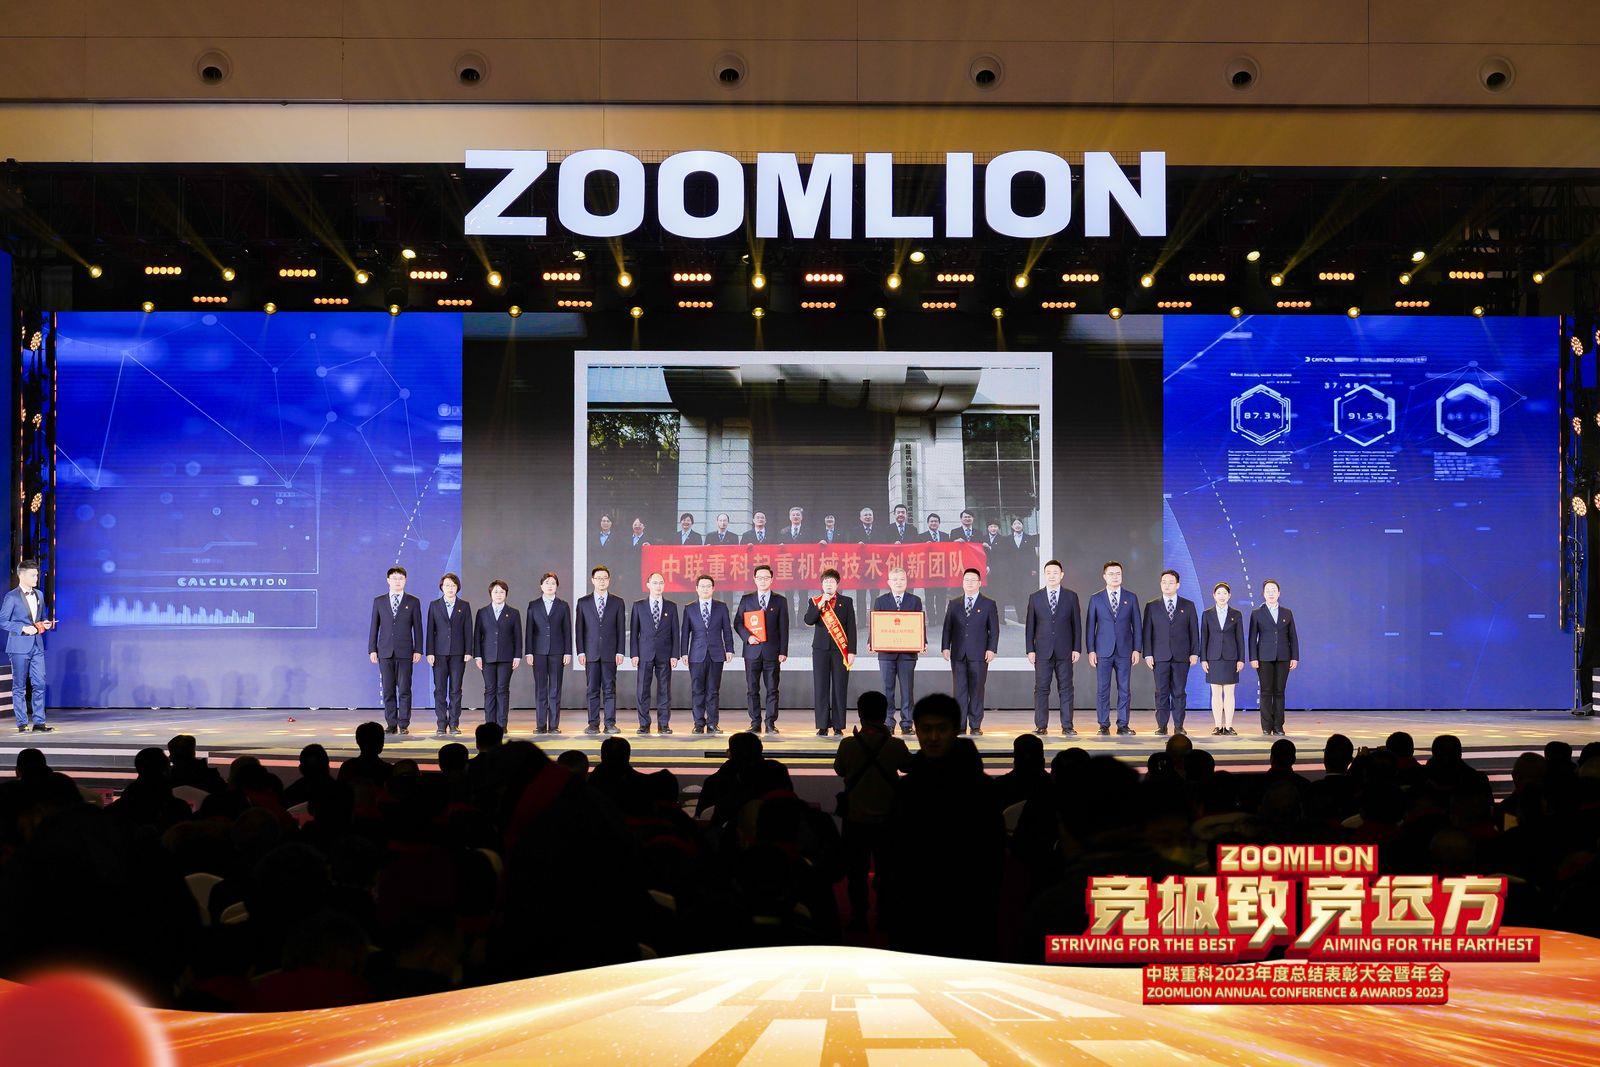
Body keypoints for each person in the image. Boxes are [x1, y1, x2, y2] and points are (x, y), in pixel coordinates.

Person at [832, 690, 911, 932]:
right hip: (888, 819)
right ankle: (885, 916)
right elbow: (908, 766)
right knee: (887, 871)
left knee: (856, 873)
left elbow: (840, 769)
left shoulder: (848, 745)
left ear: (860, 713)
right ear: (885, 713)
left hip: (855, 819)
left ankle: (859, 917)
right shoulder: (895, 745)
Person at [1085, 561, 1142, 736]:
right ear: (1104, 576)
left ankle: (1123, 725)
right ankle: (1103, 725)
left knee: (1124, 689)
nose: (1115, 577)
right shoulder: (1096, 598)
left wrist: (1137, 649)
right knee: (1103, 689)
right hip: (1103, 651)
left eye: (1118, 573)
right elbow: (1090, 626)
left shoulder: (1131, 597)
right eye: (1111, 574)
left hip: (1125, 651)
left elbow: (1137, 625)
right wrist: (1091, 650)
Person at [1025, 559, 1081, 736]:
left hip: (1065, 650)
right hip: (1042, 651)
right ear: (1044, 575)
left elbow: (1076, 625)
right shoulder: (1035, 597)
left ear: (1061, 575)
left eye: (1055, 572)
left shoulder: (1071, 596)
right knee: (1041, 689)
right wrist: (1030, 649)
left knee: (1066, 689)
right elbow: (1030, 626)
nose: (1052, 576)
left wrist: (1077, 648)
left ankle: (1067, 726)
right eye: (1048, 572)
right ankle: (1041, 726)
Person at [1142, 569, 1200, 737]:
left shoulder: (1188, 605)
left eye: (1171, 582)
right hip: (1159, 656)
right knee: (1161, 692)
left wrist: (1194, 652)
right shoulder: (1152, 606)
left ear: (1178, 585)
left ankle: (1179, 726)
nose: (1167, 585)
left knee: (1179, 692)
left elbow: (1194, 631)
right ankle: (1162, 726)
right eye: (1164, 582)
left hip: (1182, 656)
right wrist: (1148, 654)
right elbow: (1147, 632)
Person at [941, 567, 999, 735]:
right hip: (958, 653)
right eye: (966, 580)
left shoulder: (988, 604)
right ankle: (959, 725)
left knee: (977, 690)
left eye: (973, 580)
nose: (969, 583)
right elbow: (947, 628)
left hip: (979, 654)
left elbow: (994, 630)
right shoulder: (954, 603)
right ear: (962, 583)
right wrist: (945, 647)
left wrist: (991, 649)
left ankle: (975, 725)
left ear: (979, 583)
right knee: (959, 691)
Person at [369, 565, 424, 736]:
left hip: (405, 652)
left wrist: (418, 649)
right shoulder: (379, 601)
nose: (397, 581)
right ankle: (391, 724)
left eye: (400, 578)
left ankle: (404, 724)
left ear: (405, 580)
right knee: (388, 690)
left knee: (405, 690)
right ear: (388, 580)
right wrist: (372, 649)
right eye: (394, 578)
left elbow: (418, 627)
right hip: (385, 652)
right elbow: (374, 627)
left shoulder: (413, 601)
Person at [2, 559, 55, 733]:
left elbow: (41, 617)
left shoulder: (39, 595)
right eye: (33, 575)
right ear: (22, 576)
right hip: (18, 646)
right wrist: (22, 628)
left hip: (36, 645)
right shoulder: (11, 596)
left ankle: (39, 722)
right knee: (19, 686)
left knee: (39, 683)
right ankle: (22, 723)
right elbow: (3, 621)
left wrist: (44, 623)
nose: (36, 578)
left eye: (37, 575)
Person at [735, 564, 789, 734]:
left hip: (772, 652)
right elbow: (738, 623)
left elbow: (784, 628)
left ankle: (770, 723)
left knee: (772, 689)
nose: (763, 581)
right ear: (754, 579)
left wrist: (783, 651)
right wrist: (748, 637)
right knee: (752, 689)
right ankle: (755, 723)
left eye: (766, 578)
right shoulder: (746, 599)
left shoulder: (780, 601)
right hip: (752, 651)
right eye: (760, 578)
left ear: (772, 579)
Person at [871, 566, 923, 735]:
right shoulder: (881, 601)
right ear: (889, 582)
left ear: (906, 582)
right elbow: (876, 624)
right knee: (888, 689)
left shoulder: (914, 600)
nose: (898, 582)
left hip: (908, 653)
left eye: (902, 579)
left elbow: (919, 624)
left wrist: (923, 642)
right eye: (895, 580)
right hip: (886, 653)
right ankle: (888, 722)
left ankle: (907, 723)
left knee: (907, 689)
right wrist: (872, 641)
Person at [805, 568, 857, 737]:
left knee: (839, 687)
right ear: (822, 584)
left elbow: (851, 627)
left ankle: (838, 725)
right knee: (821, 686)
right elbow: (808, 620)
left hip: (840, 650)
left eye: (832, 581)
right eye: (826, 581)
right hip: (820, 650)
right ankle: (822, 725)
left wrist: (852, 651)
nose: (829, 584)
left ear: (837, 584)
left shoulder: (846, 601)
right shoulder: (815, 601)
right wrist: (820, 605)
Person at [681, 574, 735, 735]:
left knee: (713, 690)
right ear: (697, 589)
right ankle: (698, 724)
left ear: (713, 589)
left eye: (708, 586)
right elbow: (685, 633)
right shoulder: (689, 608)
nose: (705, 589)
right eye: (702, 586)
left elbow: (727, 630)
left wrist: (729, 649)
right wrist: (683, 652)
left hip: (716, 654)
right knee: (697, 690)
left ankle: (712, 724)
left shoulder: (721, 607)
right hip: (696, 655)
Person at [575, 565, 626, 735]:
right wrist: (581, 651)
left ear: (609, 580)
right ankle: (593, 724)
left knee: (610, 689)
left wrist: (620, 651)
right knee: (592, 690)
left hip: (610, 653)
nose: (602, 581)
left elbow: (621, 629)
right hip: (590, 653)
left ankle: (610, 724)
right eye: (598, 578)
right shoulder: (583, 602)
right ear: (592, 580)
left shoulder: (617, 602)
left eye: (605, 578)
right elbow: (579, 629)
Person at [629, 571, 680, 736]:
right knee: (642, 690)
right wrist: (634, 654)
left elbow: (675, 632)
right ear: (648, 585)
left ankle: (663, 724)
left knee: (664, 690)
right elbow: (634, 632)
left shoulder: (671, 606)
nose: (658, 586)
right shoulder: (639, 606)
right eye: (655, 583)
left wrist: (675, 654)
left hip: (665, 654)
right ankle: (644, 724)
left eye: (661, 583)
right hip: (644, 653)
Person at [1248, 578, 1300, 737]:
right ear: (1263, 594)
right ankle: (1266, 726)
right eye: (1268, 591)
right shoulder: (1257, 613)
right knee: (1266, 691)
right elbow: (1252, 637)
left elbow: (1293, 636)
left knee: (1279, 691)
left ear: (1279, 593)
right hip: (1264, 657)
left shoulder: (1287, 612)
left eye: (1273, 590)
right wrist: (1253, 657)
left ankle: (1278, 726)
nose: (1271, 593)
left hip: (1284, 656)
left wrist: (1295, 657)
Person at [425, 573, 473, 738]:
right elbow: (430, 630)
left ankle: (454, 723)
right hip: (438, 654)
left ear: (457, 587)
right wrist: (429, 652)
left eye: (453, 585)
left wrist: (468, 651)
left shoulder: (464, 606)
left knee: (455, 689)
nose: (450, 588)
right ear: (442, 587)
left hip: (458, 654)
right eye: (447, 585)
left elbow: (468, 629)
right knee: (439, 689)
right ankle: (441, 723)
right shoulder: (434, 605)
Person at [524, 572, 572, 734]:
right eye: (547, 583)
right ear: (541, 586)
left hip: (558, 652)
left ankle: (553, 725)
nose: (550, 586)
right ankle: (540, 725)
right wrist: (529, 652)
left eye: (553, 583)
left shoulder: (563, 605)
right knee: (541, 688)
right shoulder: (533, 605)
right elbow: (529, 630)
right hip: (538, 652)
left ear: (557, 586)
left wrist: (568, 652)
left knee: (555, 689)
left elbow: (567, 630)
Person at [473, 579, 521, 730]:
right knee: (490, 690)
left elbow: (518, 636)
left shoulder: (513, 613)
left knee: (502, 690)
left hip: (507, 657)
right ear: (490, 594)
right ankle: (490, 724)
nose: (499, 594)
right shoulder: (482, 612)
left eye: (502, 592)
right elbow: (477, 635)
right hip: (487, 657)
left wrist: (517, 656)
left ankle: (502, 725)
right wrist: (477, 656)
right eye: (495, 592)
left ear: (506, 594)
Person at [1200, 581, 1246, 736]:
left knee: (1230, 692)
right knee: (1216, 693)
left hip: (1231, 658)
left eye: (1224, 593)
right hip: (1213, 658)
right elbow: (1204, 637)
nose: (1221, 596)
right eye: (1219, 593)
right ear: (1214, 595)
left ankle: (1229, 726)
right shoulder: (1207, 614)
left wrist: (1241, 659)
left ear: (1229, 596)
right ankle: (1218, 726)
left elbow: (1240, 638)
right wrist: (1203, 659)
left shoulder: (1236, 614)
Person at [1003, 517, 1037, 625]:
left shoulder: (1029, 538)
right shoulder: (1007, 539)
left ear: (1022, 525)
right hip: (1013, 572)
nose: (1017, 525)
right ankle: (1020, 615)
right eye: (1015, 524)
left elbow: (1033, 554)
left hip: (1026, 571)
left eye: (1019, 523)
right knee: (1017, 594)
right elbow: (1005, 556)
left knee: (1026, 593)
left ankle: (1026, 615)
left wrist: (1034, 568)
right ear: (1012, 526)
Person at [920, 514, 950, 629]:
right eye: (931, 521)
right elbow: (917, 553)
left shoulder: (945, 536)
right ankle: (932, 619)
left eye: (936, 521)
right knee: (929, 597)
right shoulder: (921, 537)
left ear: (939, 523)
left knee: (941, 596)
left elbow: (950, 552)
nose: (934, 523)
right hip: (927, 572)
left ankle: (941, 618)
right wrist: (924, 547)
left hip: (942, 571)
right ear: (928, 523)